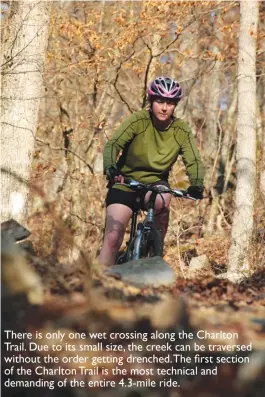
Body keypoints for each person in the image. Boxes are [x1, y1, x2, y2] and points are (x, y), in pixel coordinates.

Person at [98, 76, 205, 267]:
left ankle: (154, 251)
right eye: (160, 101)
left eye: (170, 103)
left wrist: (196, 183)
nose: (164, 108)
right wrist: (110, 168)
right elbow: (113, 144)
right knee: (113, 239)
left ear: (175, 105)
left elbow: (193, 159)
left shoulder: (181, 130)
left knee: (163, 199)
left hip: (155, 184)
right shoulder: (138, 121)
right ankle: (97, 284)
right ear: (151, 101)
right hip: (125, 182)